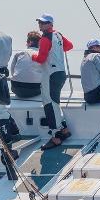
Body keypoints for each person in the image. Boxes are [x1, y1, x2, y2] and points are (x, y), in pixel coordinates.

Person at [31, 13, 73, 149]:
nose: (40, 25)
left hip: (50, 75)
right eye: (39, 22)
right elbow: (69, 46)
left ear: (50, 24)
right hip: (61, 73)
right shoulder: (58, 35)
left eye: (43, 23)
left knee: (49, 104)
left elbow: (41, 59)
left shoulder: (45, 38)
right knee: (55, 103)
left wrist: (32, 56)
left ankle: (55, 136)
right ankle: (64, 130)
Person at [10, 31, 42, 98]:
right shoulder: (42, 55)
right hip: (34, 89)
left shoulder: (19, 53)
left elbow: (12, 70)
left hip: (16, 88)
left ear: (29, 42)